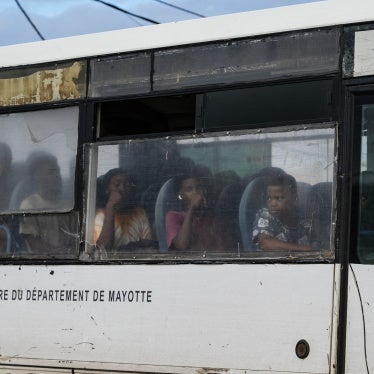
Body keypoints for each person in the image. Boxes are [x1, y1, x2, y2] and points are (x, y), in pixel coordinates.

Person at [19, 151, 77, 254]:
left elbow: (76, 236)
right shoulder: (30, 205)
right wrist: (54, 253)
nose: (57, 176)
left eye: (58, 172)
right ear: (37, 176)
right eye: (51, 172)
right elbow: (32, 241)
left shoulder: (68, 204)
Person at [94, 168, 152, 252]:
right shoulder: (100, 214)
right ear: (107, 189)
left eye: (127, 185)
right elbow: (102, 250)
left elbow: (148, 247)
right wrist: (110, 208)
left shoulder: (139, 213)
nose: (122, 188)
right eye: (117, 184)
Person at [166, 174, 227, 251]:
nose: (196, 193)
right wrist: (192, 207)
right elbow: (181, 246)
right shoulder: (174, 216)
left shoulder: (211, 218)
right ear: (181, 196)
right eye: (189, 190)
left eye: (198, 188)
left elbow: (226, 247)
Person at [252, 173, 313, 251]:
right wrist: (302, 249)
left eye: (279, 198)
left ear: (294, 198)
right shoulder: (265, 215)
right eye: (269, 198)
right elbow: (265, 243)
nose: (273, 203)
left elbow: (316, 243)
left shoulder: (304, 223)